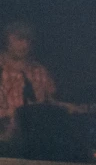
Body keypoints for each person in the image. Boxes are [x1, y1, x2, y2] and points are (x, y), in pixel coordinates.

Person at [0, 22, 56, 151]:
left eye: (28, 40)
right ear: (7, 39)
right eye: (20, 39)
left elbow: (51, 103)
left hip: (35, 139)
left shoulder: (39, 71)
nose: (25, 45)